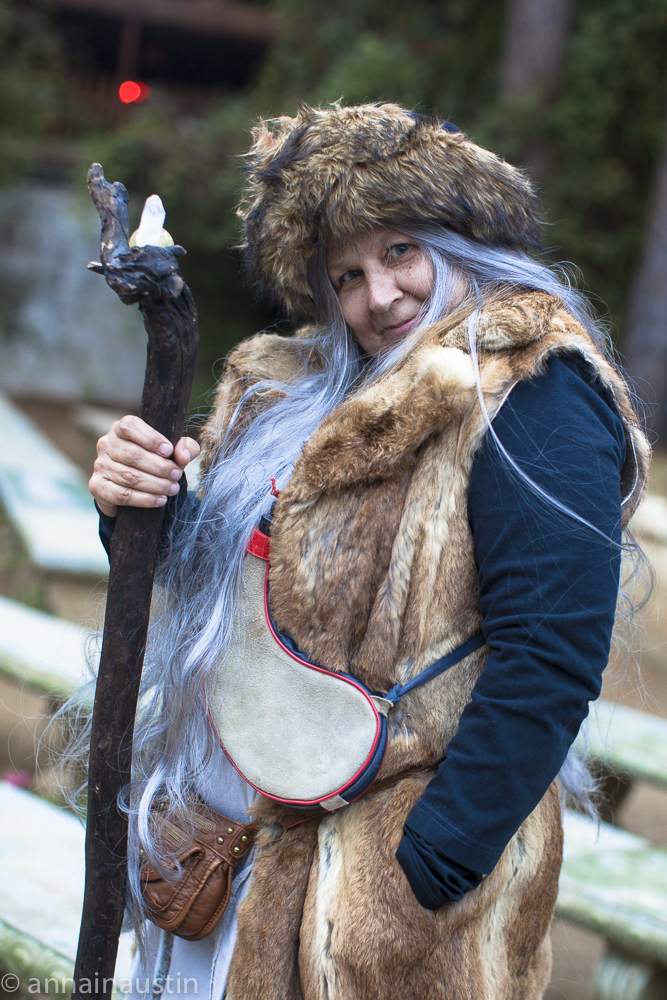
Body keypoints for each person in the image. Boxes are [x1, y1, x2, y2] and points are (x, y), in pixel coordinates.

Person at [88, 103, 649, 999]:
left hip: (371, 901)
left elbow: (550, 655)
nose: (376, 296)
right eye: (345, 275)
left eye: (398, 252)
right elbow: (220, 585)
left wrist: (421, 868)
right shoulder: (291, 392)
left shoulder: (534, 390)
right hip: (224, 851)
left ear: (461, 239)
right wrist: (139, 505)